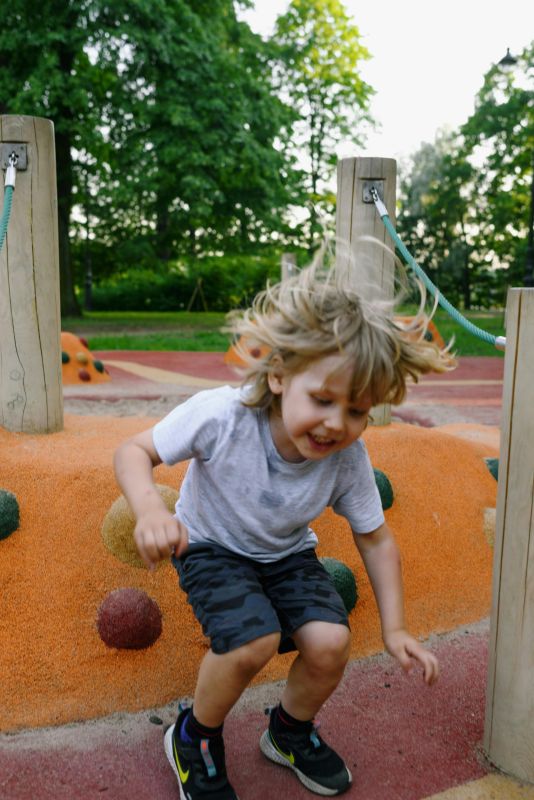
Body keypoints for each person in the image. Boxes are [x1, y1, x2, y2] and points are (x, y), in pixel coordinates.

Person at [113, 258, 455, 799]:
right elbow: (134, 451)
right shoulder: (222, 416)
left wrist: (396, 629)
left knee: (331, 642)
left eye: (357, 411)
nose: (337, 424)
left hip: (287, 555)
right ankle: (193, 737)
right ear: (278, 375)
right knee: (254, 641)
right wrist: (152, 510)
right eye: (322, 400)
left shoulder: (347, 457)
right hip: (211, 546)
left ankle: (288, 732)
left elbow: (375, 538)